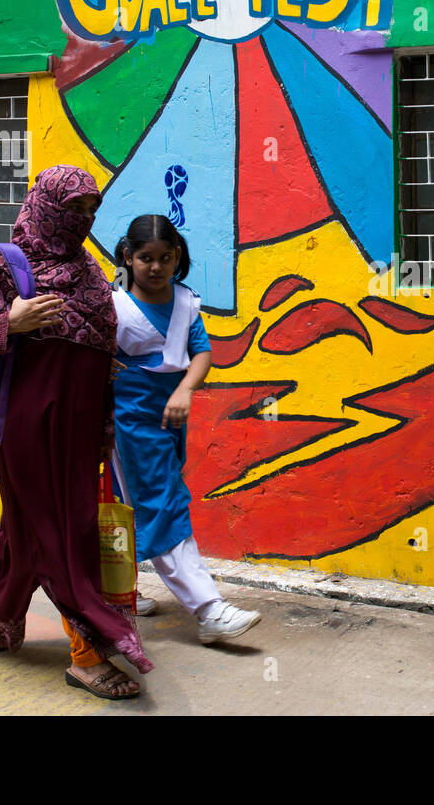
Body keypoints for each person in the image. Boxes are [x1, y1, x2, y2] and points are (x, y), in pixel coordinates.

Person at [0, 165, 152, 698]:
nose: (83, 219)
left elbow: (100, 355)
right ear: (45, 205)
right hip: (28, 427)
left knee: (29, 529)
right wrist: (7, 324)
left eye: (90, 210)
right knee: (63, 530)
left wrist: (104, 425)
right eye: (73, 208)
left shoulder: (87, 270)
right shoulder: (2, 266)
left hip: (79, 429)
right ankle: (86, 653)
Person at [110, 214, 261, 644]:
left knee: (129, 505)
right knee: (165, 503)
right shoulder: (114, 306)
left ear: (177, 257)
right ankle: (209, 609)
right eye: (145, 258)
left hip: (171, 418)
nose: (155, 268)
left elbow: (202, 353)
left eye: (165, 258)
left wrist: (185, 391)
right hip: (133, 421)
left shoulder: (184, 302)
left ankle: (115, 593)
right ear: (128, 257)